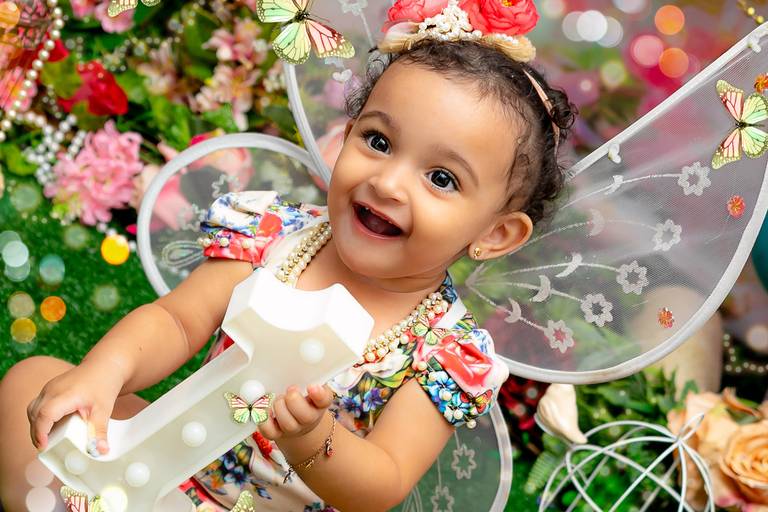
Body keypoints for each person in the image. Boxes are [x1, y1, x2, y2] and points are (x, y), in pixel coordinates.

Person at [0, 1, 574, 510]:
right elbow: (177, 321)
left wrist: (310, 438)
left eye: (441, 178)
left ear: (496, 233)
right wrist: (104, 374)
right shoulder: (276, 236)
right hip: (164, 461)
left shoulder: (443, 352)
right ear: (347, 133)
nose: (388, 182)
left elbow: (384, 482)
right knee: (35, 381)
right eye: (378, 141)